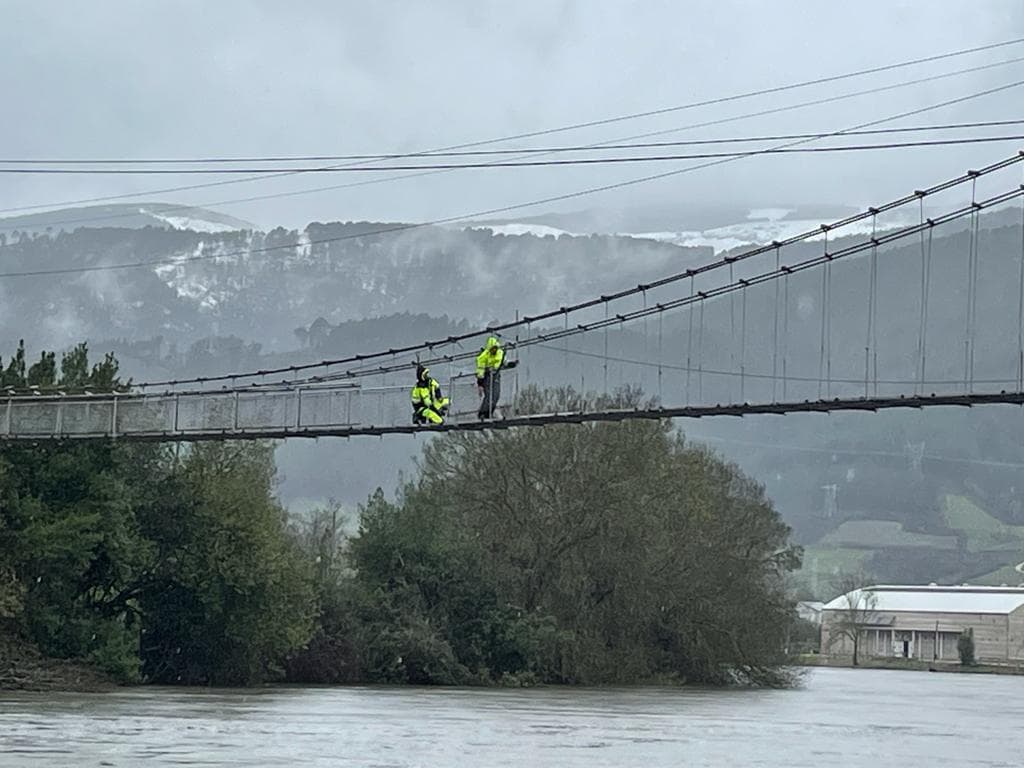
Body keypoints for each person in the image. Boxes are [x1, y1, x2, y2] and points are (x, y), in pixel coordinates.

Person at [475, 335, 516, 421]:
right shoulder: (483, 357)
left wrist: (511, 364)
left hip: (496, 375)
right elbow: (480, 371)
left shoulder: (500, 353)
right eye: (492, 349)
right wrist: (480, 384)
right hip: (487, 376)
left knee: (496, 395)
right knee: (489, 396)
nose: (494, 350)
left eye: (495, 349)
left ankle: (490, 413)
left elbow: (504, 362)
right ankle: (483, 413)